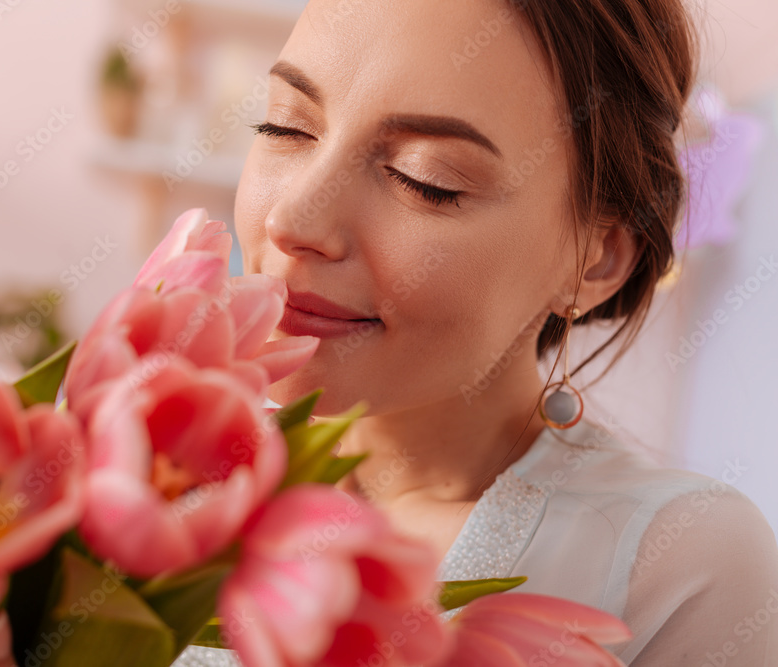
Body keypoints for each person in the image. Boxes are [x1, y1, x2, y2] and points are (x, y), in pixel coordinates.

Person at [175, 0, 778, 664]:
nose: (294, 219)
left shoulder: (681, 564)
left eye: (424, 180)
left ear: (597, 256)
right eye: (285, 126)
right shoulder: (153, 460)